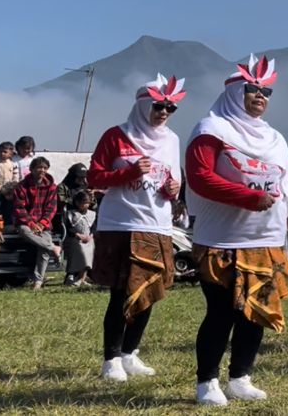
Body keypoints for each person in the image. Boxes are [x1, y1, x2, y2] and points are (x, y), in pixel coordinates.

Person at [184, 56, 288, 405]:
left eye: (265, 91)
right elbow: (200, 177)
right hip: (222, 238)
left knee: (256, 310)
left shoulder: (275, 137)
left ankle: (241, 375)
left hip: (267, 238)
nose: (260, 96)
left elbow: (287, 185)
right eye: (252, 89)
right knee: (221, 312)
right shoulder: (211, 129)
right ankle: (207, 381)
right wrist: (248, 198)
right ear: (233, 92)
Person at [88, 75, 188, 381]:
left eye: (171, 108)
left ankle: (130, 353)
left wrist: (173, 189)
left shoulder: (171, 139)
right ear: (143, 104)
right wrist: (128, 172)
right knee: (121, 294)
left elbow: (173, 181)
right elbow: (94, 178)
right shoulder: (116, 136)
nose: (164, 113)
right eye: (158, 106)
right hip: (122, 223)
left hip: (157, 224)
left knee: (150, 290)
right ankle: (111, 359)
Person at [13, 156, 62, 290]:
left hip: (44, 225)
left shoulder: (51, 187)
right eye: (39, 167)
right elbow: (19, 208)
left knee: (43, 247)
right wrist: (32, 224)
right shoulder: (21, 186)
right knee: (24, 231)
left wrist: (41, 223)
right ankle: (53, 247)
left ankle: (38, 281)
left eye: (45, 168)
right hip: (26, 224)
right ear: (32, 169)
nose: (42, 170)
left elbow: (52, 208)